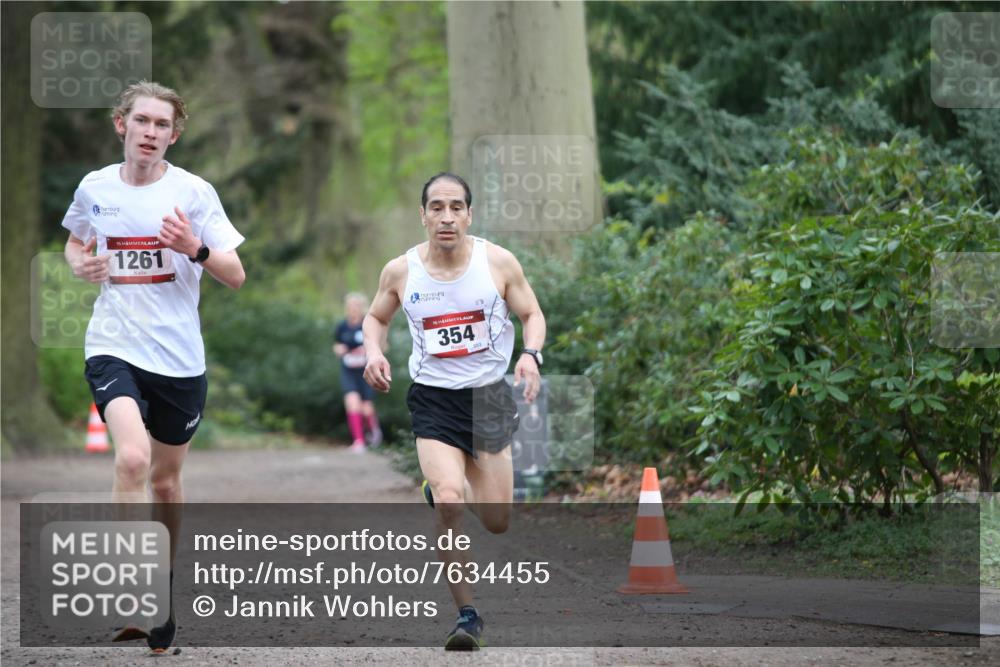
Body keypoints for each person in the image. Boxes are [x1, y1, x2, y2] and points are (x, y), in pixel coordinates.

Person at [62, 81, 246, 652]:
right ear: (122, 125)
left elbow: (235, 274)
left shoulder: (194, 192)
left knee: (165, 481)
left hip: (179, 358)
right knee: (133, 458)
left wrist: (195, 246)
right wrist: (81, 266)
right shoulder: (95, 187)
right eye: (141, 121)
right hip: (113, 343)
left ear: (173, 134)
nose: (150, 132)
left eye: (161, 125)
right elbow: (75, 244)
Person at [363, 172, 545, 650]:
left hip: (487, 399)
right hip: (434, 399)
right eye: (437, 207)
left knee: (498, 518)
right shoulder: (401, 271)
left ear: (470, 214)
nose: (446, 217)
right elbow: (375, 317)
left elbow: (532, 314)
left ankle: (448, 486)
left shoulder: (498, 263)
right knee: (448, 499)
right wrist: (373, 351)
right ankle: (467, 615)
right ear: (422, 215)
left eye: (456, 207)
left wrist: (530, 354)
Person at [333, 292, 382, 451]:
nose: (353, 309)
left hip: (366, 371)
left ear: (362, 308)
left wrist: (368, 350)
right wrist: (339, 349)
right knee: (352, 403)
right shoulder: (342, 326)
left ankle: (373, 432)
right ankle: (359, 442)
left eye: (356, 306)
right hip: (349, 371)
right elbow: (336, 345)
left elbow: (382, 344)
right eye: (350, 306)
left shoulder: (368, 324)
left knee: (366, 408)